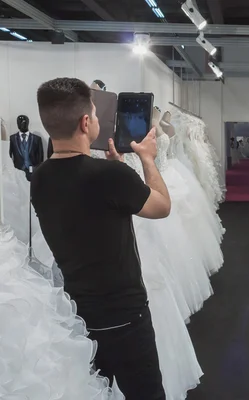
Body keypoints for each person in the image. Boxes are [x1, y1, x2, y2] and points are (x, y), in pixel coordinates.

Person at [31, 78, 171, 400]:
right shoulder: (110, 177)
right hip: (125, 318)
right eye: (94, 114)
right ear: (85, 123)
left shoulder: (39, 178)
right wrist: (147, 159)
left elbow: (88, 208)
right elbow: (162, 206)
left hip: (79, 318)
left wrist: (117, 174)